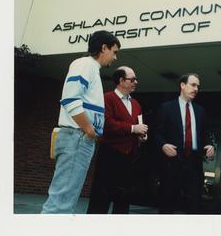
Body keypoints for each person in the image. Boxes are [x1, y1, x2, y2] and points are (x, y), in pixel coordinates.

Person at [41, 30, 120, 214]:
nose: (115, 57)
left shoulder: (90, 68)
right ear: (104, 47)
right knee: (60, 204)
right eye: (114, 51)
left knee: (65, 201)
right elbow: (70, 99)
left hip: (79, 137)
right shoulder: (85, 64)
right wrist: (89, 130)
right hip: (77, 137)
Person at [87, 66, 148, 214]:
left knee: (123, 200)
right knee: (101, 198)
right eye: (132, 79)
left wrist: (141, 136)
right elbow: (106, 123)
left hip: (129, 158)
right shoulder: (107, 98)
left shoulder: (136, 104)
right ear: (121, 80)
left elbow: (137, 126)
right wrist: (133, 129)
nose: (136, 82)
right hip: (110, 155)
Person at [155, 73, 214, 214]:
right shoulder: (166, 108)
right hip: (172, 161)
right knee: (167, 204)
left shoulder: (200, 111)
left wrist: (209, 144)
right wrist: (163, 145)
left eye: (198, 86)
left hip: (194, 163)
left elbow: (205, 134)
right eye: (193, 85)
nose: (196, 89)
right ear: (182, 85)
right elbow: (156, 133)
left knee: (194, 205)